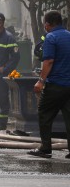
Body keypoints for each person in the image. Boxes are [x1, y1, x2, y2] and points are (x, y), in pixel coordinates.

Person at [27, 10, 70, 159]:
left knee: (44, 114)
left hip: (55, 85)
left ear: (47, 24)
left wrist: (41, 81)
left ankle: (45, 148)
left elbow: (48, 61)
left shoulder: (51, 37)